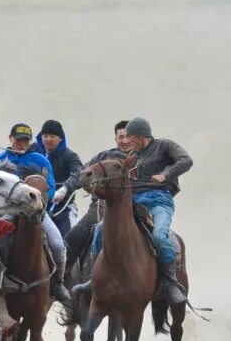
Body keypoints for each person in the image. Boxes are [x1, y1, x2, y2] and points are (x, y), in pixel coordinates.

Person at [74, 118, 193, 306]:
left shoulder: (164, 145)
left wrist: (166, 175)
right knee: (99, 229)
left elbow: (186, 160)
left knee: (160, 237)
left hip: (159, 202)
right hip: (134, 202)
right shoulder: (133, 157)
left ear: (140, 135)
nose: (128, 141)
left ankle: (170, 284)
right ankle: (92, 280)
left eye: (130, 136)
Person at [0, 123, 71, 304]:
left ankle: (58, 283)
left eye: (25, 141)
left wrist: (38, 198)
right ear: (10, 139)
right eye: (18, 140)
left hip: (36, 213)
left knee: (58, 245)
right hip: (7, 212)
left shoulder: (40, 160)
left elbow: (49, 189)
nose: (22, 144)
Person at [58, 120, 131, 279]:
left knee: (160, 239)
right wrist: (65, 188)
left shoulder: (143, 159)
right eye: (120, 137)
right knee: (71, 239)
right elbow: (81, 174)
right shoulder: (103, 157)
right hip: (100, 207)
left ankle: (167, 281)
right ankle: (60, 279)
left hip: (133, 209)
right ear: (115, 139)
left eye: (128, 137)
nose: (124, 141)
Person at [33, 120, 83, 236]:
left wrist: (64, 189)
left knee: (68, 241)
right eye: (45, 136)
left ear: (60, 138)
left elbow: (79, 173)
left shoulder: (69, 156)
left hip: (63, 209)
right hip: (35, 206)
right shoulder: (33, 150)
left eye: (52, 136)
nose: (48, 139)